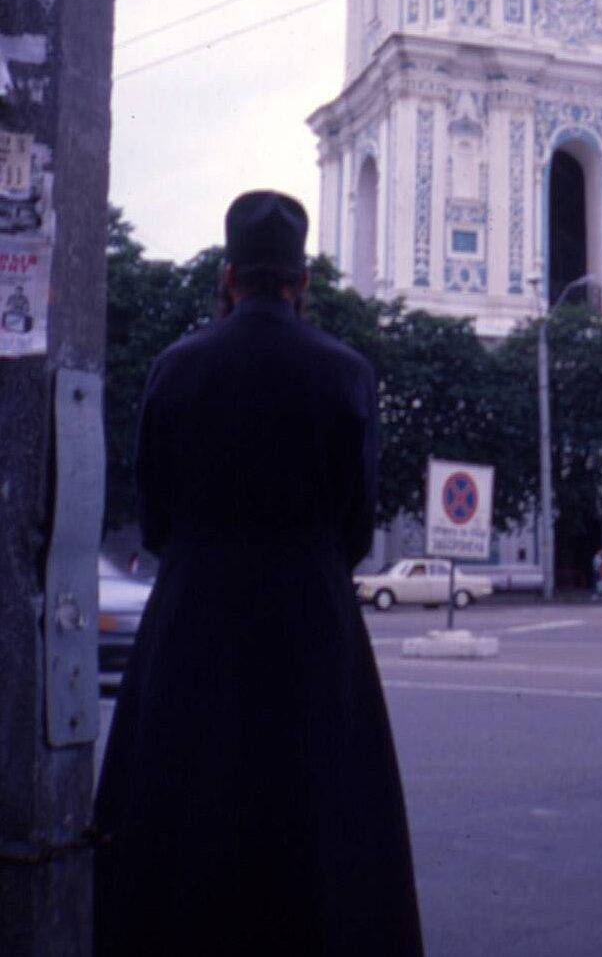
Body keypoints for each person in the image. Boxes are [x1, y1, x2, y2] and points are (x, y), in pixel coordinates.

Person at [95, 191, 424, 957]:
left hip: (196, 613)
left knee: (182, 813)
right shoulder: (348, 373)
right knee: (319, 815)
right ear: (301, 281)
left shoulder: (177, 367)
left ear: (228, 275)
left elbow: (158, 514)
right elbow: (356, 525)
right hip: (311, 616)